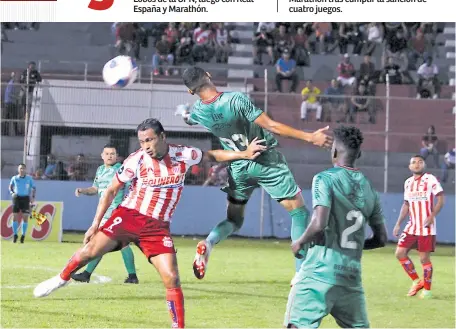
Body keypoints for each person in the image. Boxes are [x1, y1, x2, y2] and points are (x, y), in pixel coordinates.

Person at [33, 118, 266, 329]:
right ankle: (60, 279)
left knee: (172, 278)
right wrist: (95, 224)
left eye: (150, 140)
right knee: (89, 251)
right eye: (142, 141)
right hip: (129, 216)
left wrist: (244, 154)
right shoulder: (136, 160)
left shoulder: (183, 154)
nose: (145, 145)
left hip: (157, 227)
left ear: (162, 137)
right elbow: (111, 190)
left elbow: (211, 155)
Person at [180, 66, 333, 285]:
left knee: (234, 220)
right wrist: (310, 137)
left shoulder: (198, 112)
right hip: (263, 158)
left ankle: (209, 242)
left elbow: (189, 118)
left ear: (190, 91)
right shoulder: (235, 100)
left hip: (238, 166)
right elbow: (271, 125)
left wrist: (183, 113)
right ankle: (302, 273)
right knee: (298, 212)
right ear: (208, 75)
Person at [285, 126, 387, 328]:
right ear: (359, 154)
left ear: (333, 151)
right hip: (350, 277)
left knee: (296, 325)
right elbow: (381, 239)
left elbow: (319, 223)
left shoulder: (325, 179)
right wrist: (352, 245)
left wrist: (300, 242)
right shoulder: (370, 189)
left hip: (318, 274)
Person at [71, 144, 139, 284]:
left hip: (115, 213)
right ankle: (130, 276)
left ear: (116, 156)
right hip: (104, 213)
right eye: (107, 153)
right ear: (102, 156)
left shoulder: (121, 169)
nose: (110, 156)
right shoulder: (100, 170)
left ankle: (87, 274)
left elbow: (132, 188)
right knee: (108, 244)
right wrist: (83, 191)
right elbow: (95, 189)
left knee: (108, 243)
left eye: (112, 154)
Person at [393, 155, 445, 299]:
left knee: (424, 259)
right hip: (411, 226)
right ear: (410, 167)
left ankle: (427, 291)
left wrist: (432, 215)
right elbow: (406, 204)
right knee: (400, 253)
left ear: (424, 165)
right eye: (414, 162)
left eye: (420, 162)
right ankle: (417, 281)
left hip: (426, 227)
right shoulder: (408, 183)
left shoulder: (430, 179)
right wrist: (398, 223)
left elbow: (441, 199)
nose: (417, 164)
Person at [9, 163, 36, 243]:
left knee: (25, 217)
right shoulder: (14, 178)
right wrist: (12, 193)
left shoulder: (29, 178)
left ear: (25, 169)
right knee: (15, 216)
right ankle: (15, 235)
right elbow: (10, 186)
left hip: (25, 198)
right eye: (20, 168)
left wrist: (33, 198)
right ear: (18, 169)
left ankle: (23, 235)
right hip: (16, 198)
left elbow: (33, 188)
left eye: (23, 168)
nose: (22, 170)